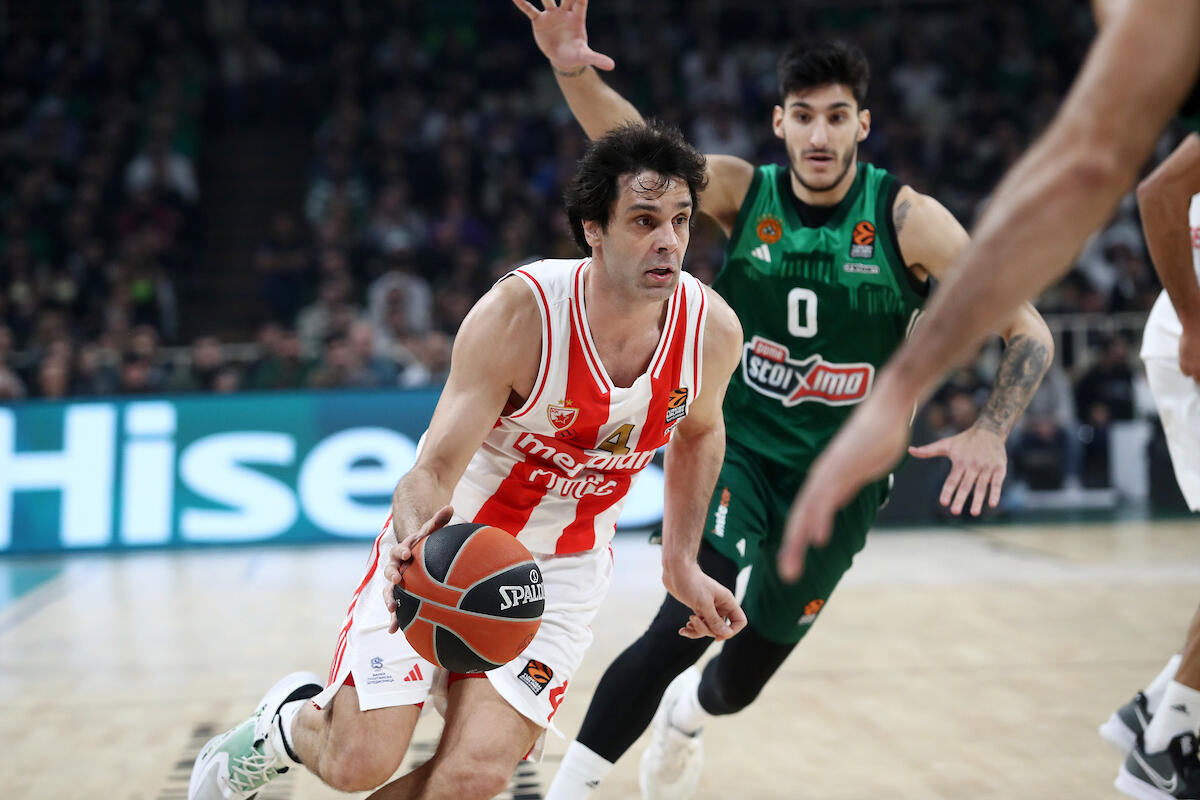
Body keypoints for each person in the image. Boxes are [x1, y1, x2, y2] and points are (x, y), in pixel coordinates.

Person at [512, 3, 1054, 798]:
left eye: (836, 116)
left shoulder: (909, 221)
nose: (819, 134)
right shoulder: (742, 191)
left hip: (843, 483)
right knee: (681, 627)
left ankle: (685, 718)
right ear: (780, 123)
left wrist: (992, 428)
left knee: (738, 683)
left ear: (862, 124)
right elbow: (637, 156)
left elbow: (1027, 327)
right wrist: (570, 67)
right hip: (737, 452)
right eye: (804, 115)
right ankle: (573, 789)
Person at [187, 121, 748, 800]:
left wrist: (680, 562)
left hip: (560, 570)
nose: (669, 241)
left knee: (474, 776)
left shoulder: (711, 331)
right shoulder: (522, 314)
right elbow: (430, 470)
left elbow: (700, 433)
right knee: (359, 761)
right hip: (454, 542)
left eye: (681, 220)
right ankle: (281, 727)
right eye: (644, 220)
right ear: (593, 230)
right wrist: (412, 542)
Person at [779, 0, 1200, 584]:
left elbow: (1088, 169)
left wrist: (899, 394)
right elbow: (1132, 181)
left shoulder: (907, 215)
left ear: (864, 124)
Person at [1096, 7, 1200, 790]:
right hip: (1191, 337)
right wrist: (1196, 323)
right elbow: (1159, 193)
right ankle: (1165, 745)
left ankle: (1160, 708)